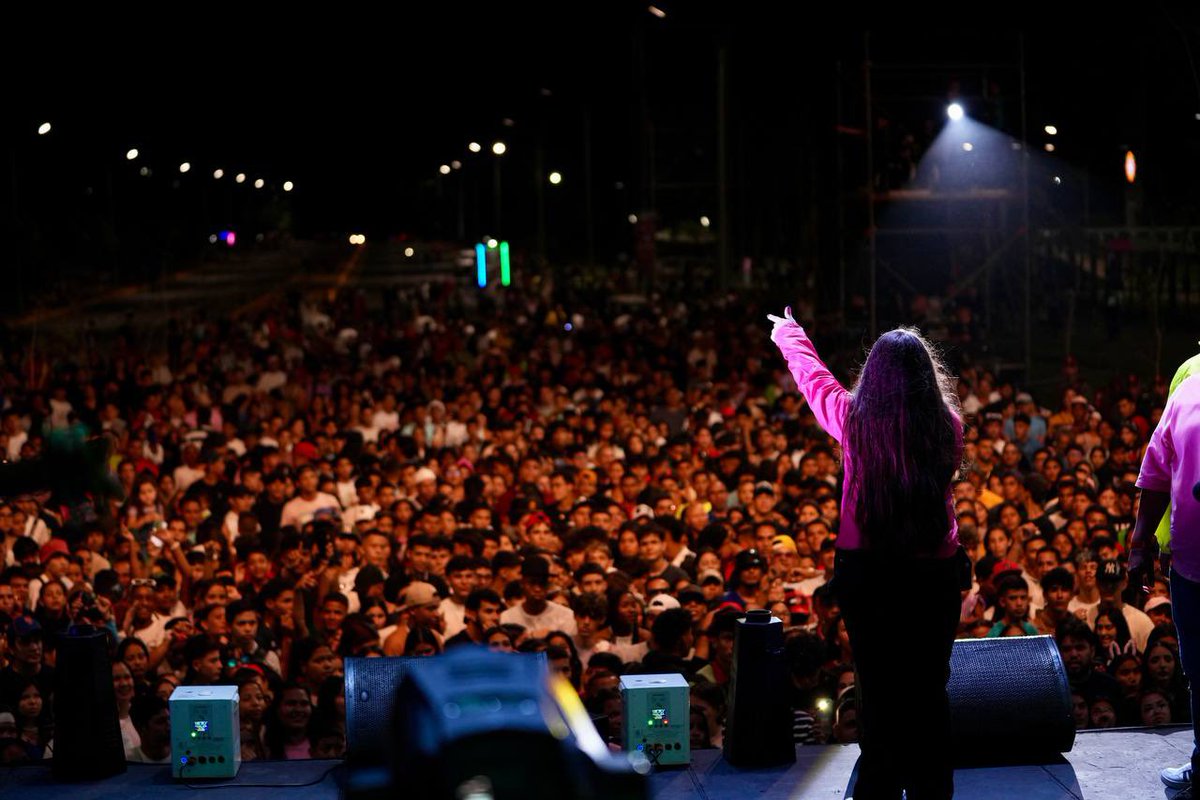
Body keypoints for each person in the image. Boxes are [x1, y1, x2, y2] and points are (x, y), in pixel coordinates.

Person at [769, 310, 963, 799]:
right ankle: (931, 788)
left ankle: (880, 784)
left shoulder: (853, 421)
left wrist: (790, 335)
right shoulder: (949, 426)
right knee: (928, 685)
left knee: (877, 685)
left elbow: (815, 380)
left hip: (868, 572)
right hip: (934, 572)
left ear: (873, 374)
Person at [1130, 368, 1200, 796]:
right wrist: (1140, 543)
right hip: (1191, 567)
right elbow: (1157, 470)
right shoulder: (1188, 386)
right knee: (1198, 669)